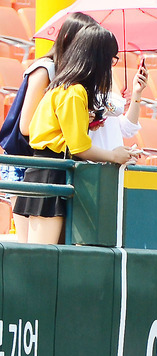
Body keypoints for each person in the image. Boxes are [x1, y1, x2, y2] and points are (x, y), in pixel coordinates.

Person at [13, 24, 136, 245]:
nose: (111, 66)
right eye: (111, 59)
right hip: (50, 174)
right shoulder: (74, 91)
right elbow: (80, 147)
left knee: (46, 255)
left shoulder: (64, 87)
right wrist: (114, 155)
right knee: (42, 255)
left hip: (48, 171)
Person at [0, 12, 97, 241]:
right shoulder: (45, 69)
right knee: (28, 245)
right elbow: (26, 126)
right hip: (26, 162)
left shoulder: (65, 75)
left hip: (42, 165)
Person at [89, 57, 149, 150]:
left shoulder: (111, 97)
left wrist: (137, 93)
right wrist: (121, 99)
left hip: (115, 158)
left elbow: (128, 128)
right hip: (94, 158)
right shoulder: (86, 94)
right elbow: (117, 108)